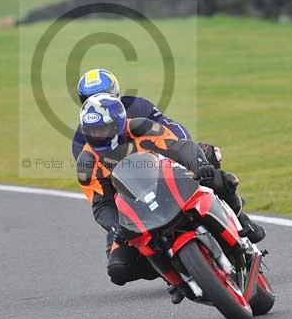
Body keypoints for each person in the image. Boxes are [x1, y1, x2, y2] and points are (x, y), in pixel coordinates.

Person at [75, 93, 265, 303]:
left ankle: (241, 223)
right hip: (135, 206)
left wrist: (199, 164)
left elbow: (179, 147)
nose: (97, 135)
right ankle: (173, 276)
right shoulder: (86, 162)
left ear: (119, 122)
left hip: (171, 183)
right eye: (91, 131)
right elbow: (101, 204)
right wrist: (114, 226)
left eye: (102, 129)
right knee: (119, 268)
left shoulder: (142, 128)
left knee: (222, 180)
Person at [74, 68, 193, 160]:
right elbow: (89, 174)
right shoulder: (82, 136)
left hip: (157, 164)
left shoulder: (138, 106)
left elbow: (170, 126)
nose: (96, 104)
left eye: (102, 97)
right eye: (88, 99)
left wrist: (184, 148)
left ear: (114, 92)